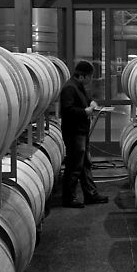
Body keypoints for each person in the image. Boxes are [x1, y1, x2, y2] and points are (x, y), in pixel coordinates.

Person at [60, 60, 109, 208]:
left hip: (81, 131)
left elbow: (85, 100)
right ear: (82, 76)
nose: (91, 80)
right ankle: (69, 198)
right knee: (74, 165)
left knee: (86, 164)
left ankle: (91, 194)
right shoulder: (69, 88)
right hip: (74, 133)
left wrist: (92, 103)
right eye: (89, 77)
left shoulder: (78, 86)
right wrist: (84, 112)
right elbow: (67, 111)